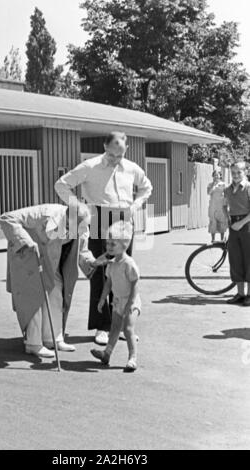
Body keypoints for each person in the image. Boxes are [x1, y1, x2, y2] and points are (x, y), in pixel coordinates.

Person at [55, 131, 152, 345]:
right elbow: (61, 184)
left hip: (124, 219)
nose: (116, 159)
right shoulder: (90, 166)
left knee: (122, 272)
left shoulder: (131, 167)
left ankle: (123, 326)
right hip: (99, 216)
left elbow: (146, 187)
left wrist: (135, 206)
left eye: (120, 154)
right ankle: (101, 326)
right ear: (104, 146)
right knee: (100, 272)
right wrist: (79, 207)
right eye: (112, 154)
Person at [0, 203, 101, 358]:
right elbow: (7, 218)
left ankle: (53, 338)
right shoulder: (45, 213)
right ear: (67, 216)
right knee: (33, 297)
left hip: (52, 260)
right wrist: (26, 241)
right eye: (71, 225)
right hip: (29, 256)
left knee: (57, 292)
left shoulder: (82, 226)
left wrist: (92, 262)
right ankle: (33, 344)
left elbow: (83, 251)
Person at [90, 221, 141, 372]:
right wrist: (102, 299)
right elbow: (108, 283)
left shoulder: (128, 263)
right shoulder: (111, 263)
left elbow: (134, 284)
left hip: (130, 301)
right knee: (114, 328)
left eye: (113, 244)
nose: (109, 247)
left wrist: (130, 304)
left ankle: (132, 358)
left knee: (128, 329)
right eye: (108, 243)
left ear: (124, 245)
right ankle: (107, 354)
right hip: (118, 301)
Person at [223, 161, 250, 306]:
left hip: (247, 225)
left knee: (248, 259)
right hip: (233, 225)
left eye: (239, 172)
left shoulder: (248, 188)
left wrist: (240, 223)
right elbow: (224, 205)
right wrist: (228, 219)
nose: (235, 175)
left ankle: (249, 295)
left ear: (245, 171)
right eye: (233, 172)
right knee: (235, 259)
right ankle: (240, 293)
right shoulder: (228, 189)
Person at [207, 168, 228, 243]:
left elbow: (226, 195)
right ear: (213, 176)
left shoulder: (224, 184)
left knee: (221, 221)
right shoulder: (210, 184)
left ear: (220, 176)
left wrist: (226, 204)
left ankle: (222, 239)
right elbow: (208, 193)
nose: (216, 176)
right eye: (214, 175)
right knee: (213, 221)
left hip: (221, 205)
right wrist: (213, 185)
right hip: (213, 205)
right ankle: (213, 239)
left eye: (217, 175)